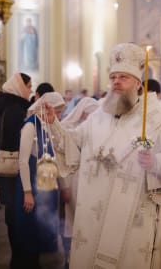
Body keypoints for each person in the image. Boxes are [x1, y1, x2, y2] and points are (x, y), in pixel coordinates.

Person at [45, 43, 161, 268]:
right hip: (92, 216)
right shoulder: (98, 116)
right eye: (113, 77)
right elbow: (73, 143)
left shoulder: (155, 118)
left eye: (123, 77)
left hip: (132, 220)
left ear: (137, 83)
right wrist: (54, 124)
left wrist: (156, 162)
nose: (116, 82)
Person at [15, 92, 66, 269]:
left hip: (47, 185)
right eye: (57, 111)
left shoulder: (49, 124)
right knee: (30, 230)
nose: (59, 116)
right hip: (31, 184)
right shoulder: (30, 126)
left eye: (60, 112)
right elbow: (23, 161)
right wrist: (27, 192)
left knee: (45, 228)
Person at [0, 72, 32, 268]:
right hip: (15, 170)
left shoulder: (7, 106)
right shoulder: (16, 110)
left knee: (13, 215)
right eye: (28, 86)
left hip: (9, 173)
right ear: (20, 87)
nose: (31, 90)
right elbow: (16, 142)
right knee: (16, 218)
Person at [59, 96, 99, 267]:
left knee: (88, 221)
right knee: (72, 220)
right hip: (73, 179)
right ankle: (69, 258)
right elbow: (63, 161)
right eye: (90, 114)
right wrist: (65, 186)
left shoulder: (93, 129)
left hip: (89, 181)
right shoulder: (67, 128)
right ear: (82, 112)